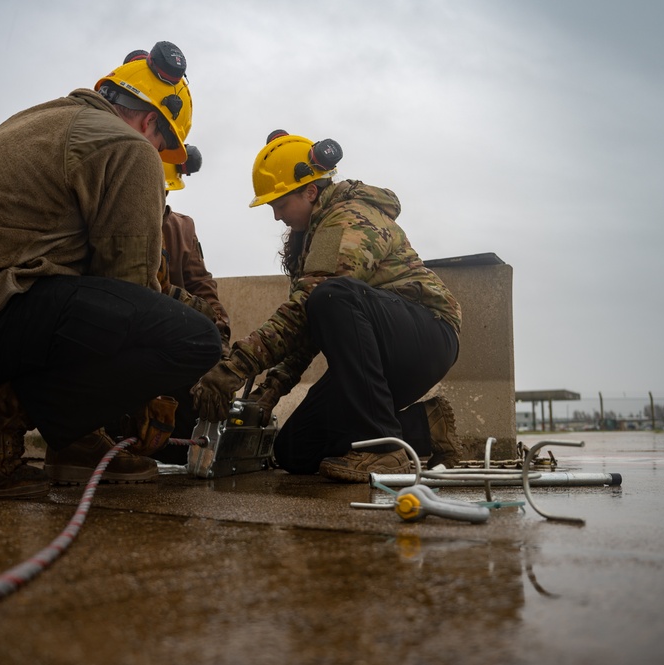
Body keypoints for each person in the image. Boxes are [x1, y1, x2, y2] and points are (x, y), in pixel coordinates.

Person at [0, 42, 222, 499]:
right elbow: (128, 284)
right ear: (150, 123)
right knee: (194, 338)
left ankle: (75, 445)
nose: (158, 158)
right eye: (163, 146)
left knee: (116, 311)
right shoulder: (129, 147)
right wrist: (147, 391)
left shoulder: (44, 119)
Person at [190, 130, 466, 483]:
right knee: (295, 450)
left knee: (331, 296)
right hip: (376, 359)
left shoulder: (349, 217)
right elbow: (306, 329)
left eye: (280, 204)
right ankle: (425, 426)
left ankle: (385, 453)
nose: (276, 216)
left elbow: (314, 304)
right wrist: (267, 394)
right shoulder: (312, 239)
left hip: (424, 335)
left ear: (309, 191)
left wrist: (233, 369)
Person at [152, 145, 233, 464]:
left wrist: (221, 344)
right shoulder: (112, 221)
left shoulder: (181, 227)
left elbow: (202, 285)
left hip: (174, 348)